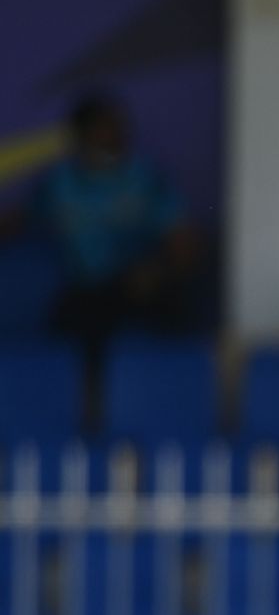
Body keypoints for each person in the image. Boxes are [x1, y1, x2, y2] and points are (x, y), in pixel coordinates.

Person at [15, 93, 199, 426]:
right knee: (71, 319)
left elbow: (182, 241)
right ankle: (84, 418)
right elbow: (20, 219)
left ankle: (170, 414)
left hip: (142, 284)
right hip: (88, 291)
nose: (116, 135)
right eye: (105, 128)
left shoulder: (144, 177)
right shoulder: (59, 183)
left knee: (175, 313)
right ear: (81, 134)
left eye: (118, 127)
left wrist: (160, 270)